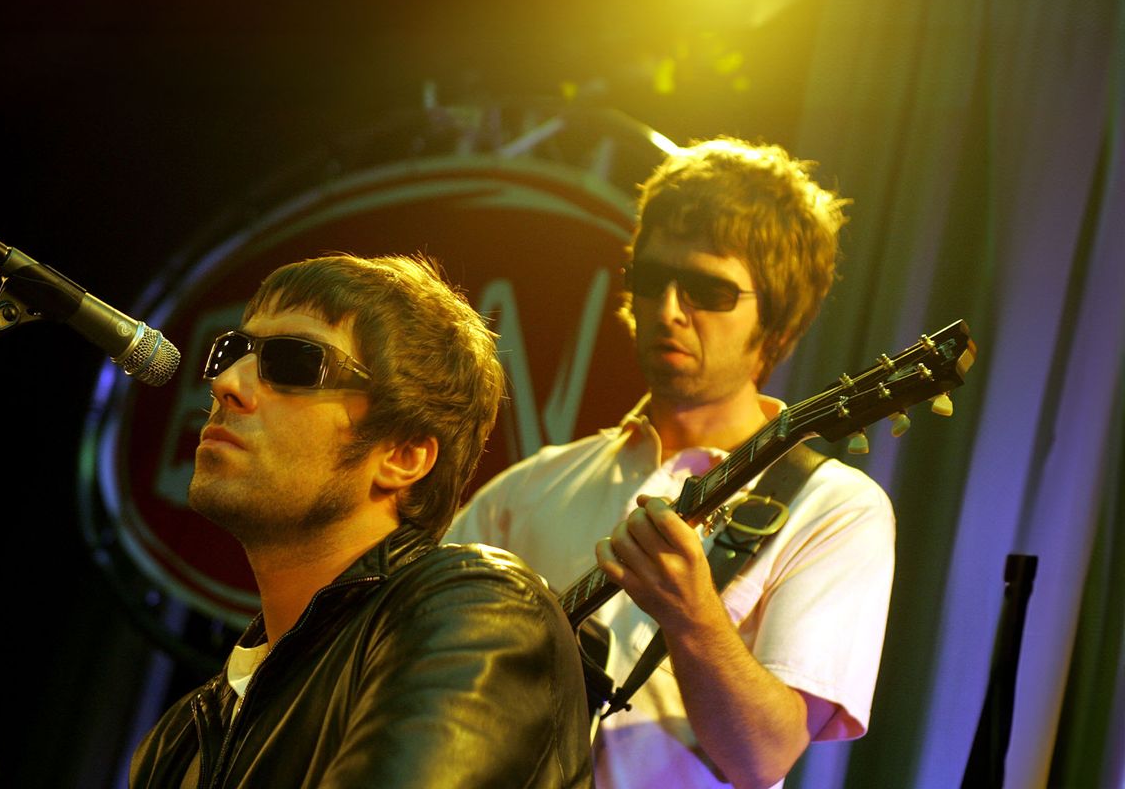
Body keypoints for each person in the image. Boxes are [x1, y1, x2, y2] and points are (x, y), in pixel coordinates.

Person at [447, 137, 895, 789]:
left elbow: (762, 757)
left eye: (710, 290)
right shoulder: (531, 487)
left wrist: (693, 618)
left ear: (776, 317)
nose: (669, 310)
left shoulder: (835, 509)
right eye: (652, 280)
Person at [130, 254, 594, 787]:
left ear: (402, 455)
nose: (226, 384)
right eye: (232, 351)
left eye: (296, 363)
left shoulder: (480, 612)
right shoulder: (179, 737)